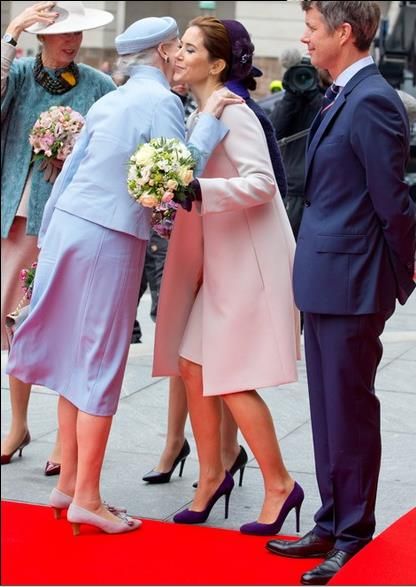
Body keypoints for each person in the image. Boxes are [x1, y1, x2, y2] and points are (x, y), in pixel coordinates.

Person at [5, 15, 240, 535]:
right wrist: (209, 120)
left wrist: (49, 246)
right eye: (176, 47)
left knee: (74, 361)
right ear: (160, 52)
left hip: (69, 227)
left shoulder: (112, 98)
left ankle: (68, 484)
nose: (180, 56)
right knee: (98, 364)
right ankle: (86, 495)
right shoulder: (158, 103)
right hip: (106, 238)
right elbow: (177, 173)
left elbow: (68, 173)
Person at [266, 2, 416, 584]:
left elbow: (392, 200)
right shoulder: (341, 92)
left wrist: (403, 272)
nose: (304, 39)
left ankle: (353, 530)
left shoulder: (373, 97)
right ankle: (331, 518)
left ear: (343, 33)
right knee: (326, 412)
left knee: (350, 412)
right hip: (327, 276)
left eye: (311, 28)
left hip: (355, 281)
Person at [153, 16, 302, 535]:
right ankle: (213, 472)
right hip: (226, 257)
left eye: (189, 49)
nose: (177, 55)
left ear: (216, 64)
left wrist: (198, 191)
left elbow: (262, 184)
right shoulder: (206, 109)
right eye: (179, 48)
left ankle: (281, 485)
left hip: (252, 260)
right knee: (193, 365)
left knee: (232, 378)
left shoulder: (234, 113)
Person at [1, 0, 116, 475]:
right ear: (42, 37)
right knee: (12, 322)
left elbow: (113, 148)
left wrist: (73, 158)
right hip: (13, 215)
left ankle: (63, 439)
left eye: (78, 35)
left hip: (66, 220)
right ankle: (19, 423)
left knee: (54, 322)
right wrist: (11, 34)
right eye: (63, 34)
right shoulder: (22, 74)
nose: (72, 42)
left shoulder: (99, 86)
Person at [270, 52, 324, 239]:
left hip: (317, 190)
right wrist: (290, 98)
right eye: (298, 76)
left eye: (307, 75)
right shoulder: (284, 103)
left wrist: (314, 95)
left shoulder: (324, 103)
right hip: (291, 190)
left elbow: (325, 123)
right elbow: (274, 131)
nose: (302, 80)